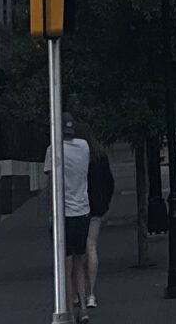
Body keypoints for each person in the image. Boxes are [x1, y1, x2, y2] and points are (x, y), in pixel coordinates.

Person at [44, 113, 92, 320]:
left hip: (64, 214)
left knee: (66, 266)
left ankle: (71, 313)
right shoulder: (84, 146)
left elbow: (50, 184)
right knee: (80, 262)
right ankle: (84, 307)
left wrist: (49, 213)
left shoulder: (53, 150)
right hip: (83, 211)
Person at [83, 135, 115, 313]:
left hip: (77, 208)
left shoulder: (77, 154)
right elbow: (109, 181)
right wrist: (105, 203)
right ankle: (91, 294)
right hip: (97, 207)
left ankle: (79, 292)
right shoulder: (100, 156)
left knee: (77, 252)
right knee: (92, 247)